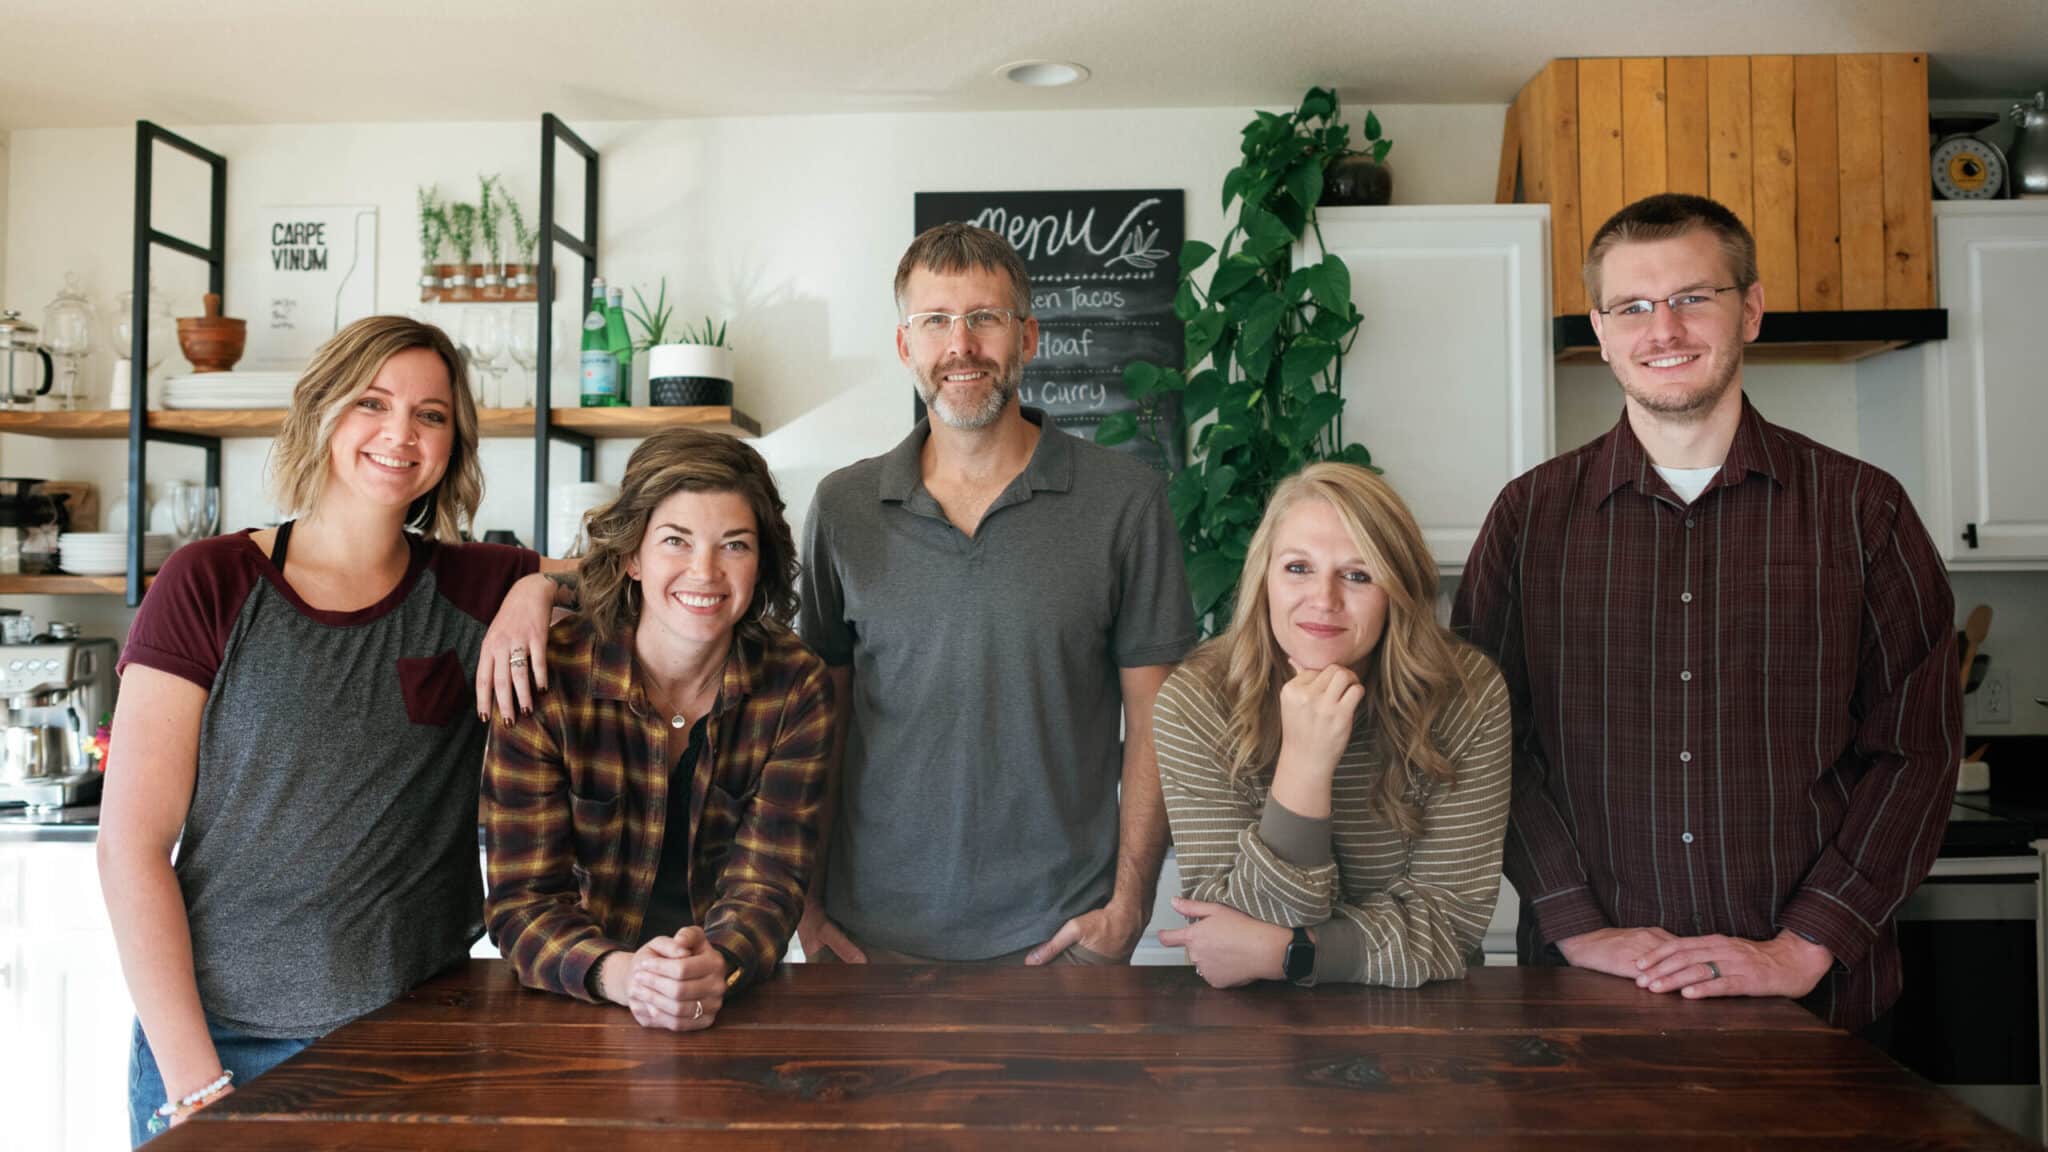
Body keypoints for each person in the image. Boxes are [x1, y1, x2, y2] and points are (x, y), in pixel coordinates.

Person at [1454, 193, 1960, 1035]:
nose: (1665, 330)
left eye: (1694, 297)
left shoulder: (1864, 511)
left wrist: (1805, 944)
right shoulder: (1528, 518)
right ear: (1602, 328)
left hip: (1819, 1006)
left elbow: (1919, 751)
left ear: (1750, 310)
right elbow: (1485, 740)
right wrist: (1575, 924)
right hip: (1595, 1004)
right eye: (1634, 307)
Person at [101, 315, 564, 1144]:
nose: (401, 434)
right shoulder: (209, 581)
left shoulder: (475, 586)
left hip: (417, 1047)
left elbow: (635, 566)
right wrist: (198, 1084)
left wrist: (536, 590)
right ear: (321, 412)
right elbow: (131, 846)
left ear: (452, 443)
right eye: (373, 403)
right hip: (227, 1046)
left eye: (432, 414)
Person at [796, 222, 1198, 965]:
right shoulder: (844, 509)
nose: (962, 345)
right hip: (868, 946)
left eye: (985, 318)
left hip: (1062, 942)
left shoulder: (1125, 502)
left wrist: (1129, 904)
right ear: (904, 345)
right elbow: (821, 719)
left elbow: (1155, 720)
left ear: (1028, 337)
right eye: (936, 321)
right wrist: (809, 905)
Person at [485, 428, 834, 1030]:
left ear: (761, 564)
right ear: (632, 558)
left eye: (735, 545)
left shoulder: (794, 685)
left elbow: (769, 886)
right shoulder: (549, 676)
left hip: (725, 1001)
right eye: (676, 540)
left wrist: (714, 967)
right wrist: (625, 976)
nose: (705, 572)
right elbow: (522, 900)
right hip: (575, 1001)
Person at [1153, 463, 1510, 988]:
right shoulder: (1196, 701)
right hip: (1253, 1027)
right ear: (1264, 577)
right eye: (1298, 567)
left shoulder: (1467, 695)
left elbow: (1449, 926)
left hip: (1419, 1019)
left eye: (1358, 575)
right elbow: (1225, 930)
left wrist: (1288, 953)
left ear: (1397, 590)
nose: (1324, 598)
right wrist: (1304, 764)